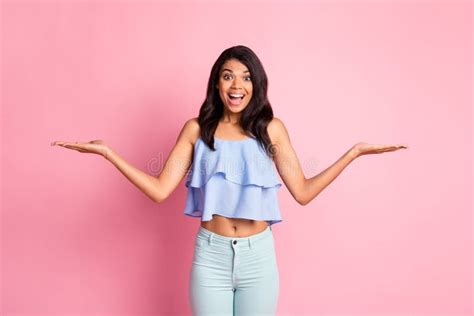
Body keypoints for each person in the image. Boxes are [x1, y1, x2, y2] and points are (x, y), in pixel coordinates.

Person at [51, 45, 408, 315]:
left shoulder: (271, 129)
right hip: (211, 256)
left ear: (257, 84)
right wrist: (108, 153)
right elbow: (160, 190)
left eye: (246, 76)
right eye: (227, 75)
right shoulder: (196, 130)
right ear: (216, 84)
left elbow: (302, 191)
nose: (237, 85)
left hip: (259, 257)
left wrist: (353, 153)